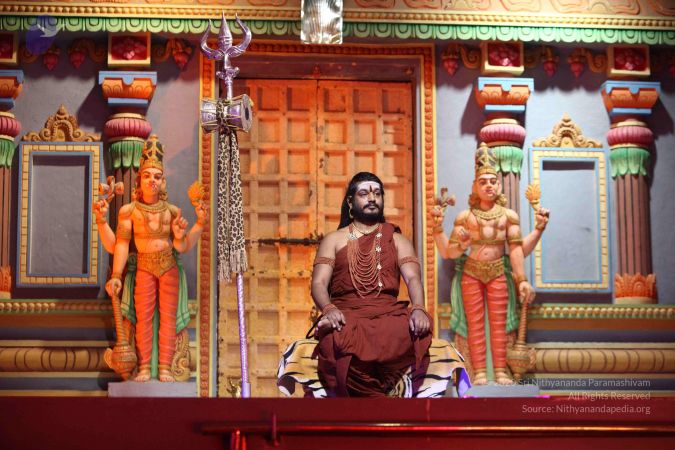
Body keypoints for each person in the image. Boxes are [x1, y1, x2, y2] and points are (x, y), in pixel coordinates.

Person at [431, 144, 549, 386]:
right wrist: (439, 229)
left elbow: (517, 250)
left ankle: (500, 370)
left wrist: (523, 277)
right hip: (471, 273)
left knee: (499, 324)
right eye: (483, 182)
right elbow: (448, 252)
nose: (488, 186)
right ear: (475, 186)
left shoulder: (508, 216)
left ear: (499, 186)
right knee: (475, 324)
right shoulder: (466, 217)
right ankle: (480, 372)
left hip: (498, 273)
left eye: (493, 181)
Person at [311, 172, 433, 397]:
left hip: (387, 314)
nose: (372, 198)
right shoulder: (334, 240)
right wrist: (328, 309)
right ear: (350, 202)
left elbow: (413, 278)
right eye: (364, 193)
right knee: (339, 335)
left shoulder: (397, 239)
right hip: (348, 314)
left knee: (415, 329)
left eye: (377, 193)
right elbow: (319, 282)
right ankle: (375, 402)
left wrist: (419, 308)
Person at [104, 135, 208, 382]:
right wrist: (116, 275)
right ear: (139, 179)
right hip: (144, 267)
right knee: (144, 319)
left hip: (168, 266)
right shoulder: (129, 211)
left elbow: (182, 246)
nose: (152, 180)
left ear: (163, 182)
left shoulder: (172, 211)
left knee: (168, 319)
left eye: (157, 176)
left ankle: (164, 368)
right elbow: (121, 244)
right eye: (148, 175)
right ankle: (144, 367)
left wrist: (198, 224)